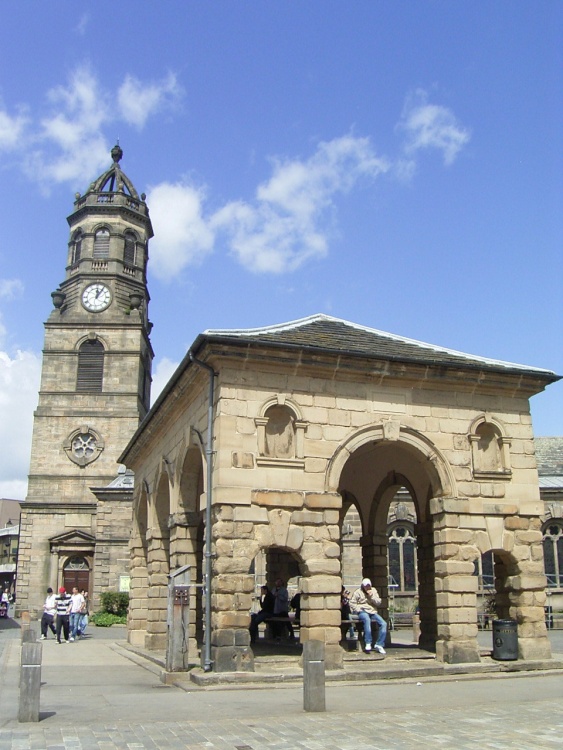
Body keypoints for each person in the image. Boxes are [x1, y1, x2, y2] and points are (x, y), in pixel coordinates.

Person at [349, 578, 387, 654]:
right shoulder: (358, 592)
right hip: (362, 611)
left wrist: (372, 596)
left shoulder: (374, 591)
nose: (367, 588)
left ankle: (379, 644)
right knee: (367, 620)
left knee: (383, 623)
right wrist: (358, 609)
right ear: (363, 586)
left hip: (372, 611)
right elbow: (352, 603)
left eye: (368, 586)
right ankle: (368, 642)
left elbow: (378, 602)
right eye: (366, 586)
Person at [272, 577, 294, 642]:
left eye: (279, 582)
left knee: (287, 622)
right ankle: (277, 635)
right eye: (277, 582)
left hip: (282, 609)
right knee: (276, 623)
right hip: (275, 609)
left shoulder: (284, 590)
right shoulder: (273, 589)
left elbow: (285, 599)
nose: (278, 583)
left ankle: (291, 633)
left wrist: (278, 595)